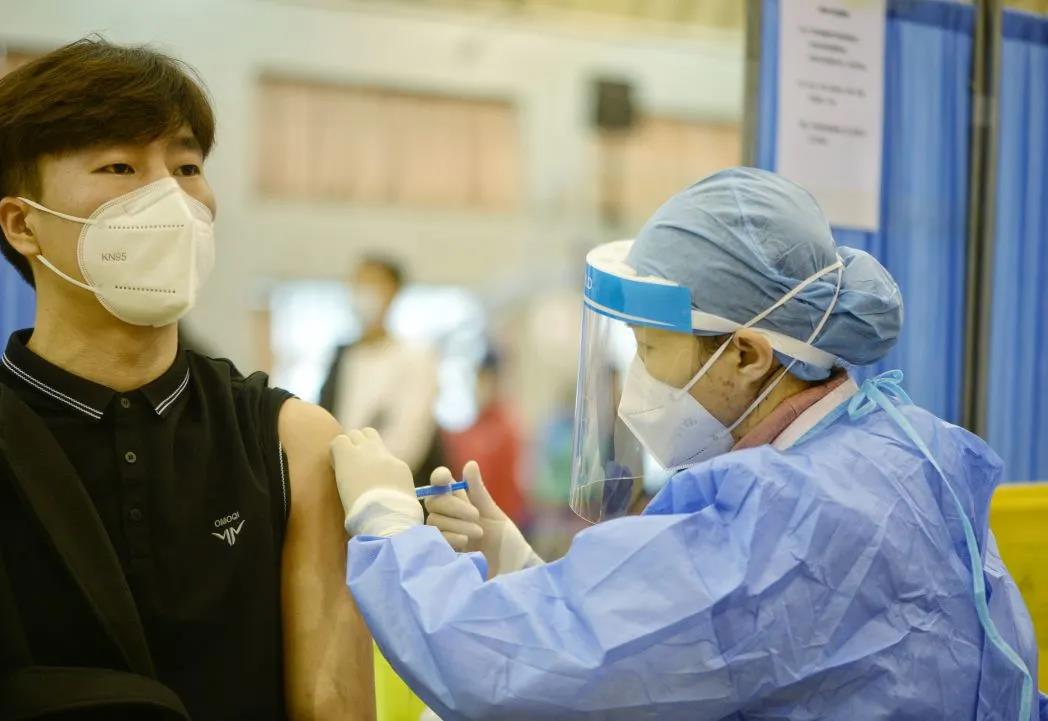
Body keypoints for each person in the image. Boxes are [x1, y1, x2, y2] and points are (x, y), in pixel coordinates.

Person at [329, 168, 1046, 720]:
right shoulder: (900, 448)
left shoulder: (776, 518)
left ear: (747, 355)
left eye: (651, 349)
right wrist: (517, 563)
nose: (638, 378)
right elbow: (677, 648)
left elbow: (496, 671)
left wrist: (386, 522)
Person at [0, 39, 373, 720]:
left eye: (187, 167)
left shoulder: (288, 441)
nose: (170, 197)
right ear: (23, 224)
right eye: (120, 166)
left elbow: (333, 706)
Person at [318, 256, 442, 486]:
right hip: (339, 483)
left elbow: (407, 441)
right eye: (358, 283)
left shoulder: (415, 356)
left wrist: (362, 479)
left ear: (393, 292)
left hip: (391, 487)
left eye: (373, 284)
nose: (363, 293)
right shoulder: (344, 356)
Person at [441, 349, 527, 527]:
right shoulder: (470, 430)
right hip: (472, 522)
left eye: (486, 380)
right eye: (478, 380)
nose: (479, 388)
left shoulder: (506, 428)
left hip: (501, 522)